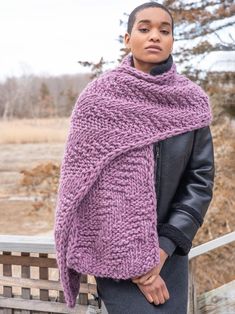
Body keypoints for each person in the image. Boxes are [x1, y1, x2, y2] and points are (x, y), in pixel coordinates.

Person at [54, 2, 215, 314]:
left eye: (164, 31)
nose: (154, 36)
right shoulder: (98, 100)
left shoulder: (191, 102)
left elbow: (200, 181)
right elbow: (85, 189)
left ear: (172, 41)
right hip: (113, 254)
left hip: (169, 250)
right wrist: (138, 266)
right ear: (127, 39)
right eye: (144, 29)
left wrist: (163, 249)